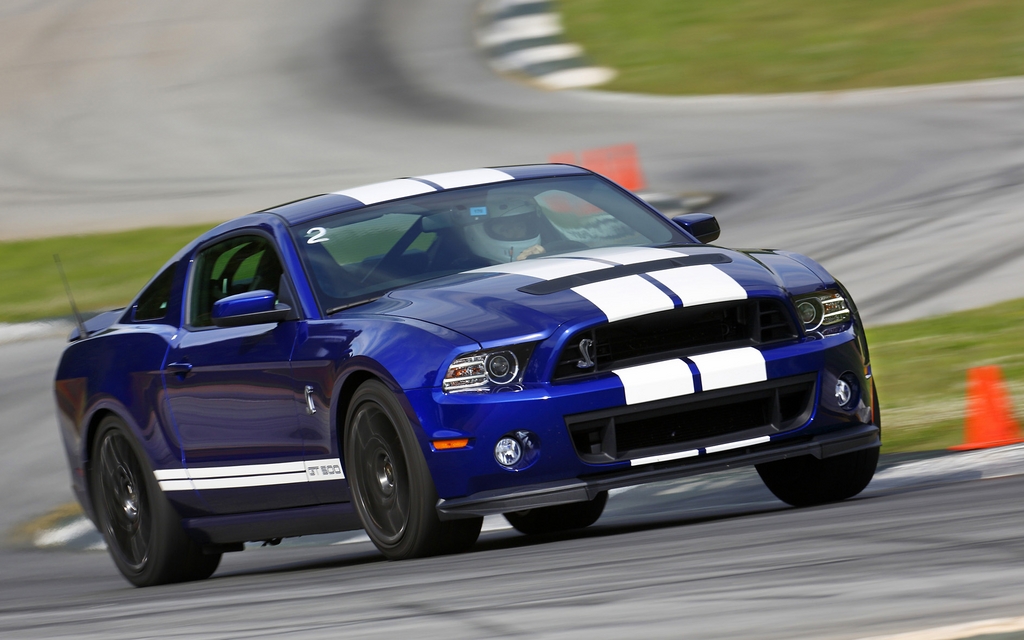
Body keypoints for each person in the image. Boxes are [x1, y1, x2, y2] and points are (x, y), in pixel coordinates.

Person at [462, 195, 547, 263]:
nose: (516, 234)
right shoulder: (469, 275)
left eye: (520, 227)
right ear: (476, 235)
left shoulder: (545, 260)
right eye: (505, 229)